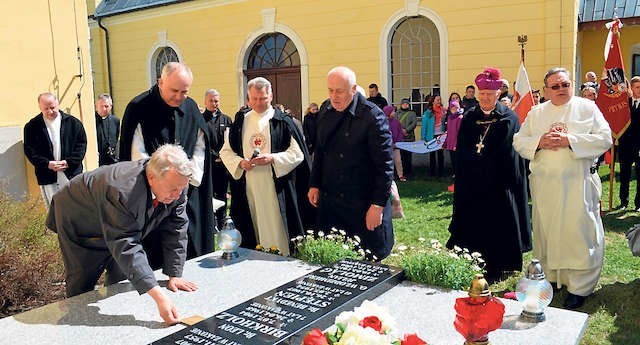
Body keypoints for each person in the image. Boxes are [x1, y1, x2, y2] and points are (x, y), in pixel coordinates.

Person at [46, 144, 198, 325]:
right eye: (173, 189)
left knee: (121, 274)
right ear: (151, 177)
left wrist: (175, 273)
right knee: (82, 279)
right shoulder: (122, 189)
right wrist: (159, 297)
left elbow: (177, 226)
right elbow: (125, 243)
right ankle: (76, 321)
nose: (178, 194)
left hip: (115, 219)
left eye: (181, 188)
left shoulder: (177, 182)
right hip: (80, 218)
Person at [513, 67, 612, 309]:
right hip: (545, 187)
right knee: (548, 231)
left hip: (578, 184)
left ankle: (580, 287)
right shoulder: (537, 113)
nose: (560, 89)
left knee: (577, 233)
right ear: (546, 90)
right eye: (554, 86)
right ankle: (551, 278)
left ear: (572, 84)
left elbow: (605, 138)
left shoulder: (587, 108)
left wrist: (570, 140)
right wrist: (540, 141)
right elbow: (519, 140)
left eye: (565, 84)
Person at [118, 62, 215, 263]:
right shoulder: (139, 107)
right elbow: (136, 153)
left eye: (184, 92)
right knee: (156, 252)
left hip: (188, 191)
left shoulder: (191, 108)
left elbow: (200, 147)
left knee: (190, 245)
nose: (179, 97)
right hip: (153, 195)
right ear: (161, 82)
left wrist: (187, 178)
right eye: (174, 90)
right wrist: (163, 183)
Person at [447, 67, 531, 281]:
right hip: (474, 182)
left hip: (499, 183)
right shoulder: (469, 117)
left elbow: (508, 152)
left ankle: (498, 264)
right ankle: (472, 257)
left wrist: (489, 168)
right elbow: (464, 147)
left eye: (489, 95)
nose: (484, 98)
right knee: (473, 220)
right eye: (481, 94)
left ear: (498, 95)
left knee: (497, 223)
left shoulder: (509, 118)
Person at [308, 66, 394, 260]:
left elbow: (385, 166)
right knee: (332, 257)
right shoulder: (325, 110)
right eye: (330, 90)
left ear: (353, 89)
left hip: (363, 201)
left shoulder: (373, 116)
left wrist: (378, 205)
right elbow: (320, 151)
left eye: (339, 91)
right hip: (332, 199)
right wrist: (314, 183)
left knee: (367, 260)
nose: (334, 96)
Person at [220, 77, 312, 256]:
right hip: (249, 186)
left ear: (270, 96)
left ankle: (281, 258)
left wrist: (273, 158)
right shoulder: (241, 122)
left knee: (276, 227)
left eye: (262, 98)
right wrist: (240, 162)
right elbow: (226, 152)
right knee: (252, 228)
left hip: (275, 187)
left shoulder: (283, 121)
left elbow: (297, 153)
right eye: (254, 99)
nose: (258, 103)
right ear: (248, 98)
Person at [23, 92, 87, 208]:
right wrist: (47, 164)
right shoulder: (32, 126)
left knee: (76, 209)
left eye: (52, 108)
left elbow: (81, 145)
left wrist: (69, 162)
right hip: (47, 176)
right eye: (45, 109)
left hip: (71, 174)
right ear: (40, 107)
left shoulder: (73, 123)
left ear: (58, 104)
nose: (50, 111)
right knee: (54, 211)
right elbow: (30, 150)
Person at [202, 89, 232, 227]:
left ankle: (222, 221)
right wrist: (213, 155)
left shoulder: (226, 119)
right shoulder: (201, 120)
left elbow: (230, 140)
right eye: (211, 101)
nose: (214, 103)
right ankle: (210, 222)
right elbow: (201, 143)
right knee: (209, 194)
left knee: (222, 193)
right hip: (208, 164)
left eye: (216, 101)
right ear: (205, 101)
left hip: (223, 165)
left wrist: (223, 155)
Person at [617, 76, 640, 210]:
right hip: (625, 144)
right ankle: (623, 202)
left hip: (639, 145)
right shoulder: (624, 103)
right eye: (637, 87)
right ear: (631, 88)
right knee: (624, 174)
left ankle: (638, 204)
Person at [95, 93, 120, 166]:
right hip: (99, 160)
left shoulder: (115, 121)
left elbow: (115, 137)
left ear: (111, 106)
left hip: (112, 160)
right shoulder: (92, 121)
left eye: (106, 106)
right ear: (96, 107)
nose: (103, 109)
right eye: (101, 106)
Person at [383, 105, 405, 181]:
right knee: (388, 161)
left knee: (398, 161)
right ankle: (390, 176)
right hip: (387, 146)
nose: (394, 113)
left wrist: (397, 142)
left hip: (396, 146)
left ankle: (400, 175)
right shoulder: (383, 122)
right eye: (393, 111)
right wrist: (389, 143)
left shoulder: (396, 122)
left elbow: (400, 133)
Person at [397, 98, 417, 178]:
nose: (405, 105)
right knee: (401, 157)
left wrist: (407, 130)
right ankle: (402, 172)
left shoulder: (412, 113)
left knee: (408, 156)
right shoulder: (397, 113)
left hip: (409, 138)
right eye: (403, 104)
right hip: (400, 138)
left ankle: (409, 172)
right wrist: (401, 131)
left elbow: (414, 123)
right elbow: (395, 123)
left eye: (406, 104)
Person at [443, 100, 463, 174]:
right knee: (453, 160)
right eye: (452, 108)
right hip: (450, 143)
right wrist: (445, 143)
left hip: (456, 144)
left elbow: (460, 133)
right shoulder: (449, 118)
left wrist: (456, 145)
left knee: (458, 160)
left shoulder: (460, 118)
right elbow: (448, 132)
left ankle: (459, 174)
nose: (454, 110)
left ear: (458, 108)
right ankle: (455, 174)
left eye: (455, 108)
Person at [428, 94, 445, 176]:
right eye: (437, 100)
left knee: (440, 154)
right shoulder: (429, 111)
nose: (439, 101)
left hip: (440, 134)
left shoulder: (443, 110)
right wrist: (424, 136)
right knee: (432, 154)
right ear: (433, 101)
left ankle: (441, 172)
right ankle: (432, 172)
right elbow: (425, 125)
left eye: (440, 100)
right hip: (432, 135)